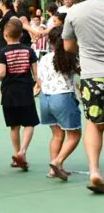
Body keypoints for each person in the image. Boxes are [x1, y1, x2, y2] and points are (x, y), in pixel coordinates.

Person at [62, 0, 104, 193]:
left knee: (95, 126)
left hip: (92, 75)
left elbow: (68, 46)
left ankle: (95, 170)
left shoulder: (76, 11)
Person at [0, 19, 39, 171]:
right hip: (26, 91)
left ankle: (17, 154)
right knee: (29, 124)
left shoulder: (2, 53)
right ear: (21, 34)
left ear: (5, 35)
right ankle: (23, 152)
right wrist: (39, 86)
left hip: (9, 92)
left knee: (14, 126)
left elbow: (1, 73)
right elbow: (36, 74)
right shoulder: (29, 51)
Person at [37, 26, 81, 181]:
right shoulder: (71, 57)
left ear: (51, 42)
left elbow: (39, 80)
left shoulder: (44, 58)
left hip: (45, 98)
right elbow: (81, 72)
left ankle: (55, 170)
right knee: (74, 135)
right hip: (63, 97)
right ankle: (57, 161)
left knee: (57, 135)